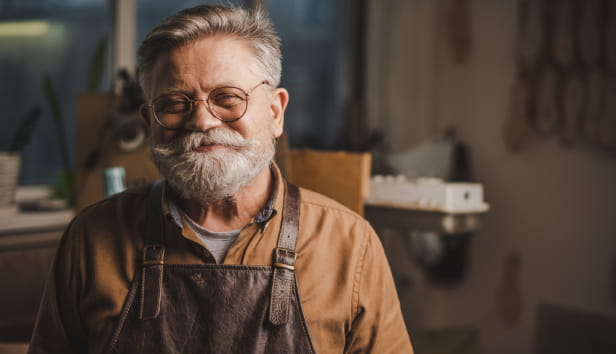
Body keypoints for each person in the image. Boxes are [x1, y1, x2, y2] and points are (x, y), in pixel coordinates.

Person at [29, 5, 413, 354]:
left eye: (227, 98)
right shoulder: (90, 238)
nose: (202, 121)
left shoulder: (349, 244)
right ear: (149, 123)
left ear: (275, 112)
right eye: (175, 104)